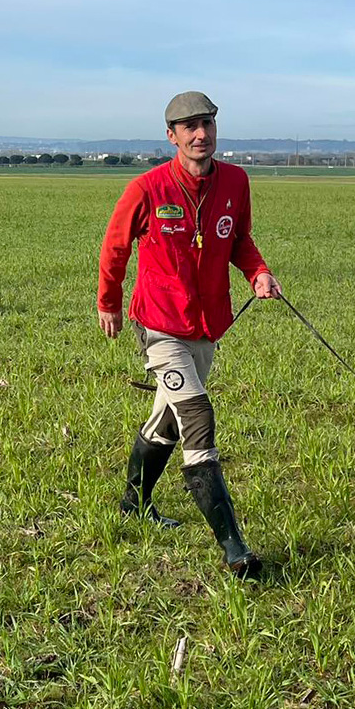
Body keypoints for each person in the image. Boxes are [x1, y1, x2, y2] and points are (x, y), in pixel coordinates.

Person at [98, 91, 282, 579]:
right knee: (197, 415)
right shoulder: (148, 189)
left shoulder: (236, 182)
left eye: (207, 124)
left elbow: (238, 237)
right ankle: (235, 548)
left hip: (208, 325)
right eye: (190, 126)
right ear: (172, 136)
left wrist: (257, 273)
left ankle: (133, 504)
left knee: (170, 419)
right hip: (159, 325)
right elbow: (115, 247)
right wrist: (108, 302)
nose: (201, 134)